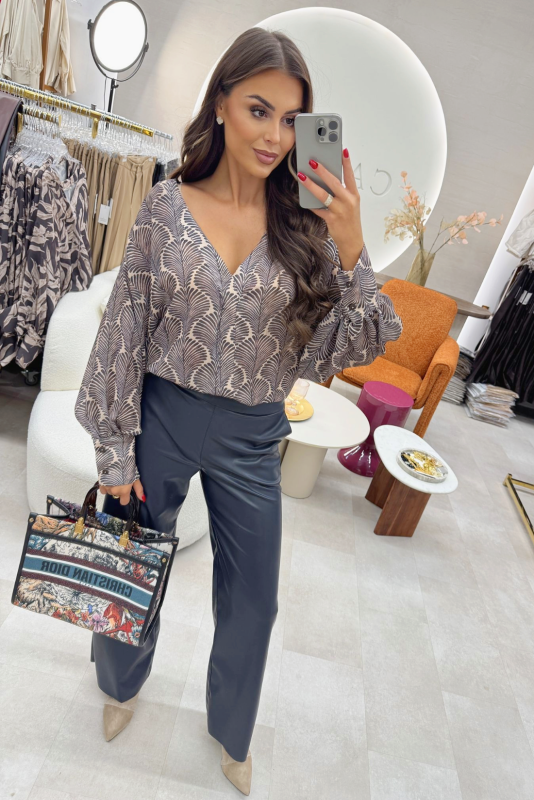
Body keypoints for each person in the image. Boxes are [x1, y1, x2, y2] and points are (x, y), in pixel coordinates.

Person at [74, 26, 403, 795]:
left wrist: (352, 246)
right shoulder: (165, 206)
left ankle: (232, 731)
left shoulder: (307, 229)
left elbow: (355, 341)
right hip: (161, 415)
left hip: (254, 434)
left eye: (291, 119)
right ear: (221, 102)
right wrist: (114, 452)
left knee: (254, 600)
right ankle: (119, 685)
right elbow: (124, 330)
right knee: (131, 559)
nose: (275, 136)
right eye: (259, 110)